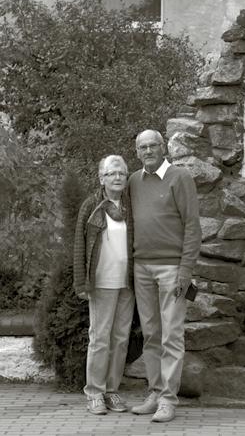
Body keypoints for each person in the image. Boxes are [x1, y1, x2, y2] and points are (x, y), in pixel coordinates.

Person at [129, 129, 201, 423]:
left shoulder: (180, 177)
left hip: (173, 270)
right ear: (137, 152)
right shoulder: (134, 181)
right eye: (142, 147)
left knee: (172, 334)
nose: (148, 151)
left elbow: (193, 226)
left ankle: (169, 400)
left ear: (164, 147)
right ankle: (155, 391)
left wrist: (186, 271)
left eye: (153, 145)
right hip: (141, 268)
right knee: (151, 335)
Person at [73, 155, 134, 416]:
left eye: (121, 173)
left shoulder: (132, 205)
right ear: (102, 178)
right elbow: (79, 246)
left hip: (127, 283)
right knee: (99, 338)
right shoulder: (92, 205)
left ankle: (112, 391)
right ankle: (94, 393)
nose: (117, 178)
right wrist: (81, 282)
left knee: (120, 339)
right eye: (111, 174)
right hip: (101, 283)